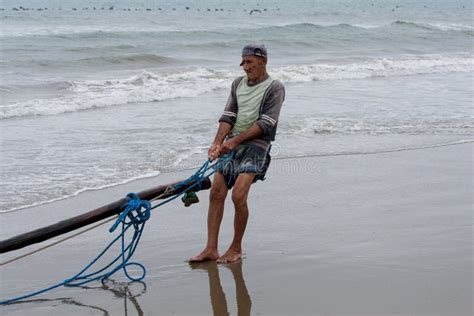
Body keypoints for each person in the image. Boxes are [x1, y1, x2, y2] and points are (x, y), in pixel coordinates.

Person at [189, 44, 285, 263]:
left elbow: (266, 124)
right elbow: (228, 116)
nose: (245, 67)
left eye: (250, 62)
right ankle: (211, 248)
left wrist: (233, 141)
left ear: (263, 62)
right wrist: (217, 142)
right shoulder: (237, 84)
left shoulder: (275, 88)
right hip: (233, 143)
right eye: (243, 62)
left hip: (257, 145)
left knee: (238, 195)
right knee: (216, 193)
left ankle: (235, 248)